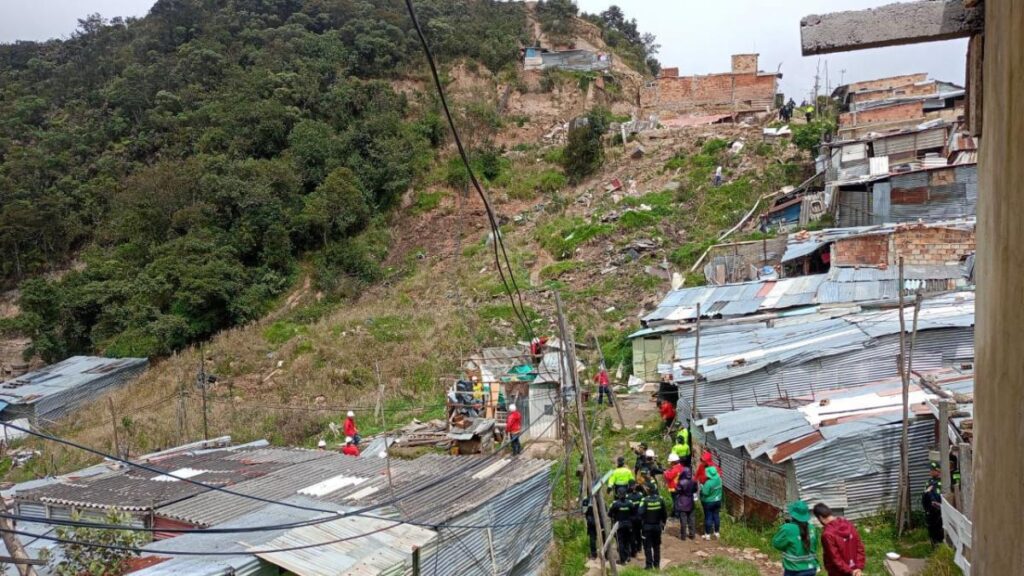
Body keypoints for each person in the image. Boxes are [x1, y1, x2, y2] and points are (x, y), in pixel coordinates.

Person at [813, 502, 865, 576]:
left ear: (820, 518)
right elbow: (860, 547)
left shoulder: (827, 534)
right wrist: (859, 568)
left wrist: (850, 571)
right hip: (856, 571)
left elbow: (835, 558)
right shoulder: (849, 525)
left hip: (838, 572)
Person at [772, 501, 821, 576]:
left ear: (793, 515)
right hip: (811, 568)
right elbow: (814, 545)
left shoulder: (787, 529)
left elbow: (777, 543)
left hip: (793, 569)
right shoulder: (812, 528)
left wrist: (786, 547)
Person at [638, 485, 667, 570]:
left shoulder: (644, 500)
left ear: (648, 491)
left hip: (647, 527)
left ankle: (649, 565)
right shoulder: (660, 499)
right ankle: (657, 565)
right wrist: (663, 523)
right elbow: (664, 513)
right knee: (656, 546)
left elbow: (640, 512)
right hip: (657, 527)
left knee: (647, 547)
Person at [609, 487, 635, 565]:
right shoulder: (630, 503)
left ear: (618, 494)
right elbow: (634, 513)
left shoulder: (615, 504)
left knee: (620, 542)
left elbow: (609, 514)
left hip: (619, 525)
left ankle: (622, 560)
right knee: (627, 541)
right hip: (628, 525)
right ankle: (627, 557)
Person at [922, 463, 944, 546]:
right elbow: (925, 494)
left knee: (940, 528)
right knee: (931, 528)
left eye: (932, 470)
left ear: (937, 471)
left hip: (940, 510)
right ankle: (934, 545)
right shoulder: (929, 482)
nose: (930, 472)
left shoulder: (943, 482)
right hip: (930, 510)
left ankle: (940, 545)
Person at [675, 468, 699, 541]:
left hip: (682, 502)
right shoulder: (693, 481)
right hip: (690, 501)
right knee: (692, 519)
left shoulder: (681, 482)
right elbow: (695, 490)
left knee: (683, 520)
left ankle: (683, 536)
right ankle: (692, 535)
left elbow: (677, 490)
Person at [699, 466, 722, 539]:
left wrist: (702, 487)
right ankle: (717, 533)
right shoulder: (719, 479)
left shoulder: (708, 483)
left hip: (709, 502)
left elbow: (705, 493)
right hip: (718, 500)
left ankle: (708, 534)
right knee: (716, 516)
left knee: (708, 517)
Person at [627, 480, 645, 558]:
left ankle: (633, 552)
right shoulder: (640, 496)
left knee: (632, 534)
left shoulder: (628, 497)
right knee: (638, 533)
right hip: (639, 518)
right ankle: (639, 548)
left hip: (631, 518)